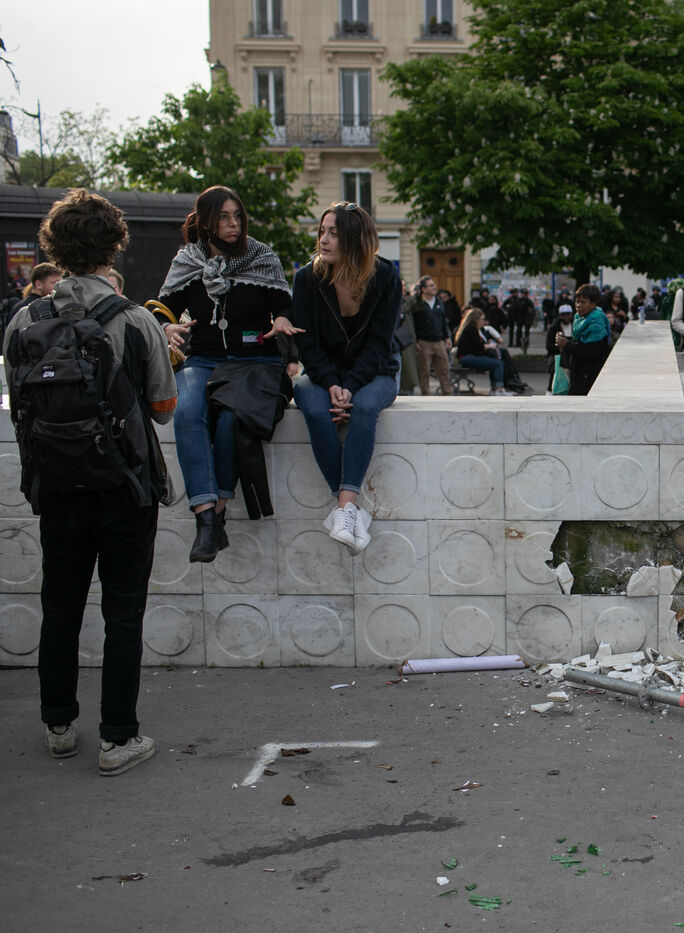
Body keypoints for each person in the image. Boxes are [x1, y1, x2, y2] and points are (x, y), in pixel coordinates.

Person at [4, 189, 177, 776]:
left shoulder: (25, 320)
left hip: (55, 486)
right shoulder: (134, 320)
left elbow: (19, 404)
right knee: (123, 613)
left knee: (60, 605)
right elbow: (163, 409)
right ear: (113, 247)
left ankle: (58, 725)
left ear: (53, 247)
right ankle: (117, 738)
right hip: (125, 488)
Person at [156, 185, 299, 562]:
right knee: (187, 410)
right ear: (207, 221)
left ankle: (217, 512)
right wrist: (166, 327)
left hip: (256, 360)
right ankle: (205, 519)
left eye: (238, 216)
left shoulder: (262, 256)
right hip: (203, 359)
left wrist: (282, 319)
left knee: (231, 421)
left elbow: (285, 305)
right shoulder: (188, 260)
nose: (234, 223)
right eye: (224, 217)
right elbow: (160, 308)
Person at [291, 202, 400, 555]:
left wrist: (350, 386)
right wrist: (332, 384)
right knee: (313, 407)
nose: (323, 240)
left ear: (354, 239)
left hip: (375, 372)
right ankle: (350, 510)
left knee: (365, 408)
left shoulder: (385, 277)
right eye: (322, 232)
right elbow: (306, 344)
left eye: (333, 233)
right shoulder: (307, 279)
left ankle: (343, 509)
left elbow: (379, 345)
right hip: (321, 373)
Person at [556, 283, 610, 395]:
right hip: (579, 373)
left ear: (593, 304)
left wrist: (567, 345)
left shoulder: (596, 323)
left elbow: (591, 351)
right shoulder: (580, 318)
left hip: (589, 376)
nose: (578, 305)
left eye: (583, 302)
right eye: (577, 301)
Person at [407, 275, 453, 395]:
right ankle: (426, 396)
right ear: (424, 289)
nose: (434, 287)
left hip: (439, 341)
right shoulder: (418, 304)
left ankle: (448, 395)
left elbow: (443, 321)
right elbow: (413, 323)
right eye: (431, 285)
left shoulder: (439, 302)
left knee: (444, 370)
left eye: (434, 284)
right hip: (424, 342)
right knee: (424, 372)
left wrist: (447, 337)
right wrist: (416, 341)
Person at [454, 308, 512, 396]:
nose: (483, 322)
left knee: (495, 363)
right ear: (476, 319)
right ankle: (499, 389)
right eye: (482, 319)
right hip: (468, 358)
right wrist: (490, 346)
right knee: (498, 364)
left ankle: (495, 389)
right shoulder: (472, 329)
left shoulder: (469, 328)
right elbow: (479, 347)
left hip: (466, 357)